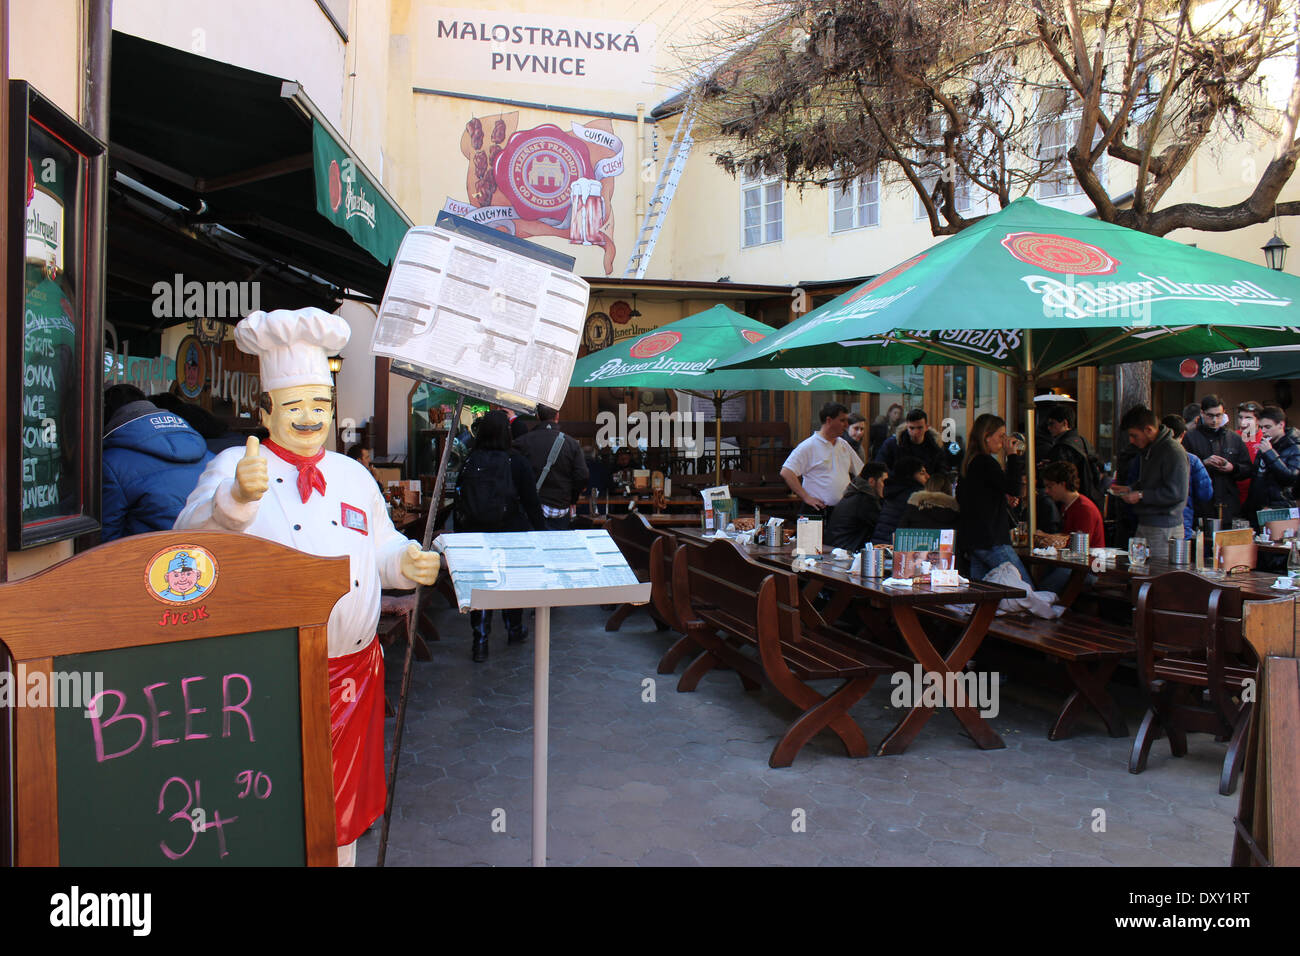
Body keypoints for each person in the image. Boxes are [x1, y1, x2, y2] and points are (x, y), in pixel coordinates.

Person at [174, 307, 441, 867]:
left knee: (339, 815)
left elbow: (380, 548)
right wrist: (236, 501)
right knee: (270, 811)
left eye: (319, 405)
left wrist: (407, 561)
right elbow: (186, 549)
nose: (308, 417)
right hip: (265, 681)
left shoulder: (353, 475)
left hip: (352, 675)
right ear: (266, 409)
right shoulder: (232, 464)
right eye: (294, 405)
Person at [456, 409, 546, 661]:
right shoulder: (516, 461)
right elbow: (531, 502)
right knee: (511, 583)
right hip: (511, 534)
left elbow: (459, 498)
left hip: (476, 535)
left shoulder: (470, 460)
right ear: (507, 433)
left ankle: (480, 641)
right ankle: (514, 629)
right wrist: (542, 534)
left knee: (480, 587)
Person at [102, 384, 213, 542]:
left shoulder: (110, 464)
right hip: (207, 557)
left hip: (147, 561)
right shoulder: (211, 456)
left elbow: (105, 543)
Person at [955, 413, 1031, 581]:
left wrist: (1000, 498)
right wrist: (1012, 455)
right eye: (1001, 436)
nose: (1004, 440)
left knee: (984, 596)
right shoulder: (986, 462)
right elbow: (1014, 487)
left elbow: (970, 497)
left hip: (974, 540)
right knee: (1025, 589)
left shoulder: (969, 462)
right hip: (992, 539)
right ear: (986, 437)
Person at [1110, 405, 1189, 544]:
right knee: (1138, 565)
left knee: (1158, 566)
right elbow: (1149, 482)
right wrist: (1130, 488)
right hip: (1146, 522)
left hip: (1165, 527)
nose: (1131, 441)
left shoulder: (1173, 451)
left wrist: (1140, 495)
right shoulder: (1149, 449)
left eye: (1134, 435)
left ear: (1149, 430)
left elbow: (1176, 493)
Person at [781, 402, 864, 517]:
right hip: (816, 511)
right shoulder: (809, 445)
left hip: (841, 511)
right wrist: (806, 497)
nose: (846, 425)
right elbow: (786, 472)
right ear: (829, 420)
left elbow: (861, 471)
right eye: (842, 420)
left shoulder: (843, 444)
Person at [513, 404, 588, 530]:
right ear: (557, 416)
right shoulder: (571, 444)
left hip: (531, 508)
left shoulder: (522, 442)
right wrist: (573, 499)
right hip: (560, 508)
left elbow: (514, 474)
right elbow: (582, 476)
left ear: (537, 416)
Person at [1182, 394, 1253, 523]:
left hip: (1229, 502)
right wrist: (1202, 464)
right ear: (1202, 413)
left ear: (1224, 413)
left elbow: (1247, 468)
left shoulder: (1234, 438)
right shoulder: (1190, 437)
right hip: (1201, 503)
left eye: (1218, 415)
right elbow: (1182, 469)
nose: (1214, 420)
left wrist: (1232, 468)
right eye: (1210, 415)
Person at [1158, 415, 1213, 539]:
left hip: (1150, 522)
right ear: (1183, 434)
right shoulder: (1191, 460)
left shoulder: (1147, 457)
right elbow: (1206, 494)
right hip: (1181, 522)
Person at [1043, 405, 1102, 507]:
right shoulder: (1083, 442)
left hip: (1069, 500)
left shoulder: (1062, 447)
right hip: (1089, 498)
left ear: (1065, 423)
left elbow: (1058, 477)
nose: (1049, 428)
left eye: (1052, 424)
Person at [875, 408, 959, 476]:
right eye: (912, 428)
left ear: (926, 427)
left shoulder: (935, 447)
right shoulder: (893, 444)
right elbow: (880, 467)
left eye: (920, 428)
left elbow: (941, 471)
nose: (915, 432)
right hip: (899, 489)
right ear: (907, 427)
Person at [1249, 405, 1300, 514]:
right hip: (1261, 506)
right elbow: (1257, 476)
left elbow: (1291, 479)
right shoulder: (1266, 444)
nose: (1263, 431)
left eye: (1268, 427)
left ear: (1281, 424)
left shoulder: (1295, 446)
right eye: (1261, 427)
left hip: (1284, 507)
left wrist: (1270, 454)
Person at [825, 461, 887, 551]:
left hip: (837, 547)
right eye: (883, 481)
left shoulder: (854, 493)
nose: (885, 486)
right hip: (846, 552)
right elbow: (882, 526)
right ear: (872, 481)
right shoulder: (865, 500)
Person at [871, 456, 929, 545]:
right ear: (910, 475)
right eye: (922, 473)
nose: (927, 476)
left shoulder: (893, 491)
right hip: (896, 548)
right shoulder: (916, 496)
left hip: (880, 545)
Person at [1236, 400, 1264, 507]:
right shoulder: (1231, 438)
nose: (1243, 422)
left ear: (1258, 420)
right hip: (1235, 496)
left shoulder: (1265, 440)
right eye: (1240, 417)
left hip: (1257, 498)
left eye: (1248, 418)